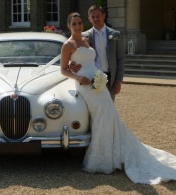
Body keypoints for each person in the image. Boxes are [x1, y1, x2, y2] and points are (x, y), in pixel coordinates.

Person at [60, 12, 176, 185]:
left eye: (79, 23)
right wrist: (76, 75)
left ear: (83, 24)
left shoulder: (86, 40)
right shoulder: (67, 45)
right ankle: (101, 159)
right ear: (69, 26)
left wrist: (105, 77)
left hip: (98, 81)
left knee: (111, 114)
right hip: (84, 83)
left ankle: (115, 155)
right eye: (74, 24)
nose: (77, 26)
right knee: (101, 114)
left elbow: (96, 59)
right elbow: (63, 69)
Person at [69, 5, 125, 101]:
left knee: (109, 107)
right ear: (89, 19)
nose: (96, 19)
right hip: (91, 77)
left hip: (110, 78)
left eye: (98, 16)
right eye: (93, 17)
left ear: (103, 16)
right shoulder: (83, 36)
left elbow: (120, 59)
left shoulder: (115, 35)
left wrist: (118, 81)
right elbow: (74, 53)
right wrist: (71, 64)